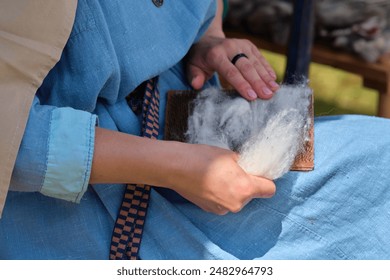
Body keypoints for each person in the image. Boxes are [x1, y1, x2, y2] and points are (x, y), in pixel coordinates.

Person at [0, 0, 389, 260]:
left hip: (186, 137)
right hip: (70, 201)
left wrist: (209, 40)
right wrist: (176, 167)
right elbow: (10, 135)